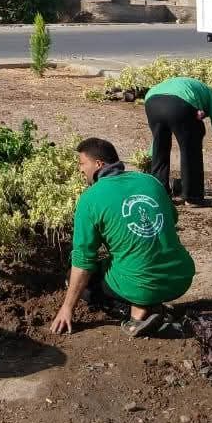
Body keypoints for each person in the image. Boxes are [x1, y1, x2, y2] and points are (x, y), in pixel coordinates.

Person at [51, 138, 195, 339]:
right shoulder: (150, 181)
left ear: (99, 164)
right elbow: (172, 217)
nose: (80, 170)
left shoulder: (91, 198)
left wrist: (67, 307)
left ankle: (138, 314)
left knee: (78, 280)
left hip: (141, 285)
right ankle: (152, 305)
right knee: (122, 261)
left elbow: (83, 261)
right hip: (181, 277)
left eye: (82, 164)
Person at [144, 76, 212, 206]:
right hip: (180, 102)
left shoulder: (192, 87)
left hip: (151, 100)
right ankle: (192, 197)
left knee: (160, 145)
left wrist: (148, 158)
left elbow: (156, 140)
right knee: (192, 143)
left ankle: (160, 194)